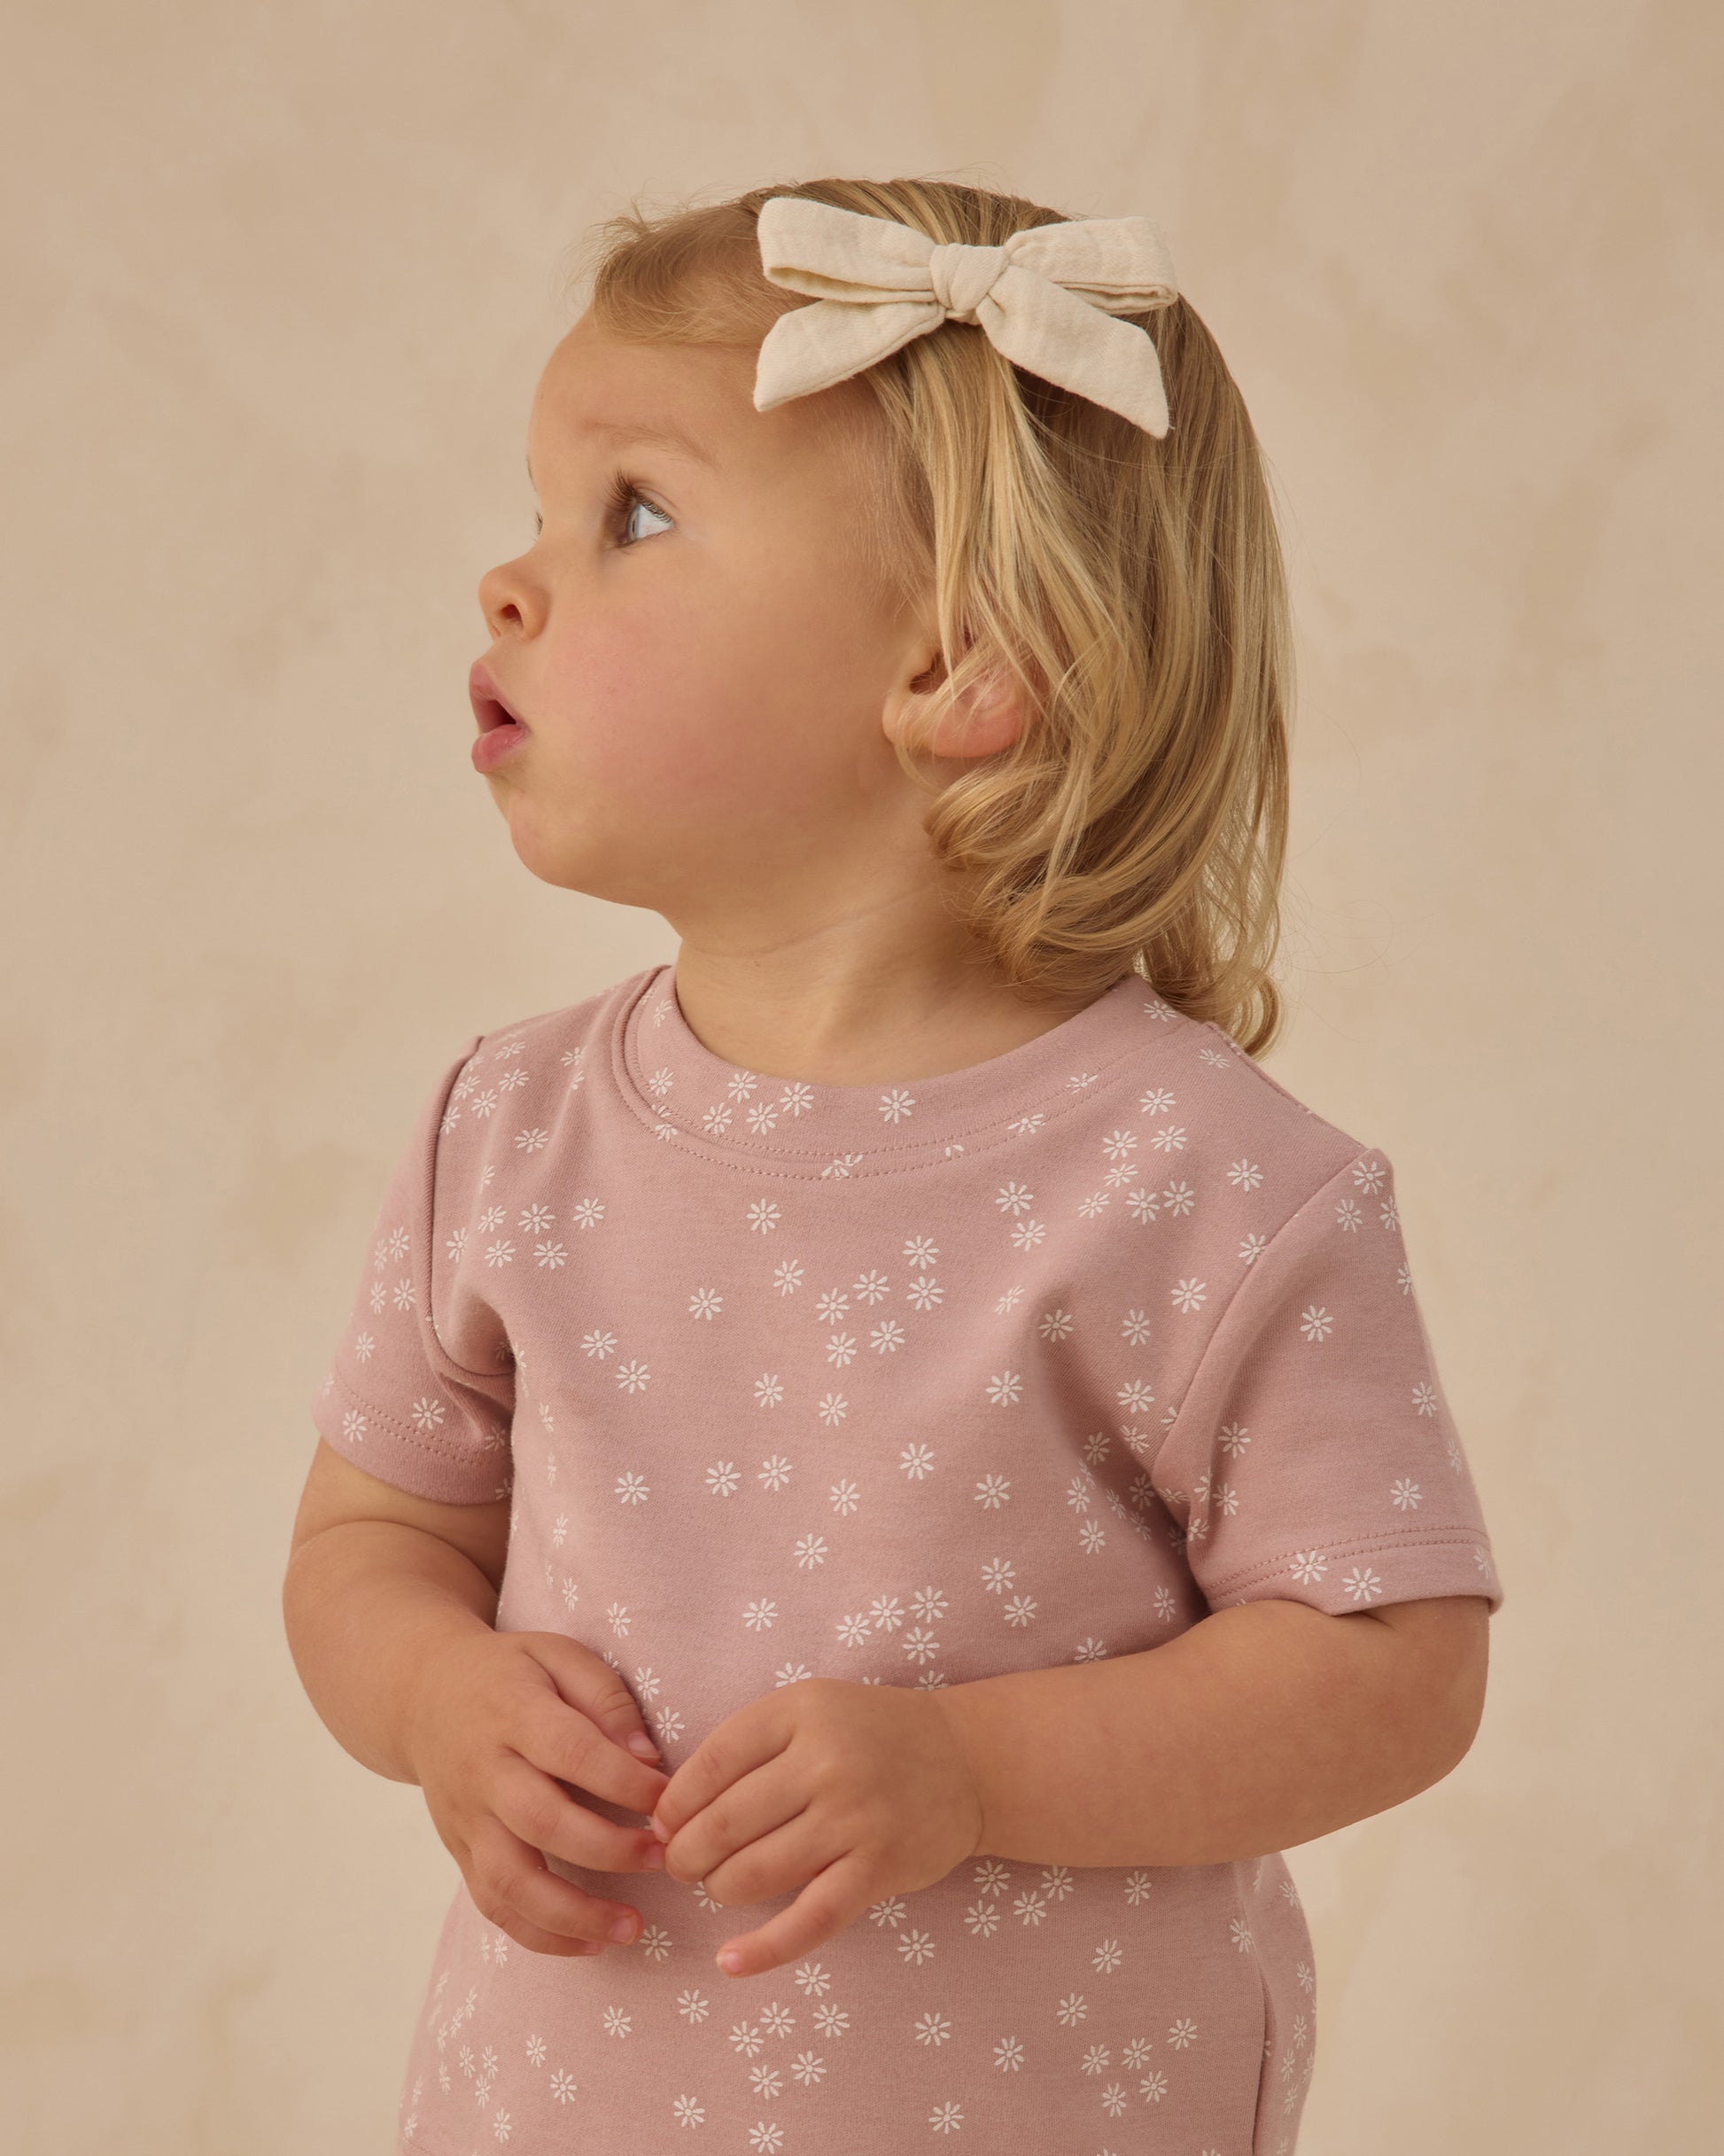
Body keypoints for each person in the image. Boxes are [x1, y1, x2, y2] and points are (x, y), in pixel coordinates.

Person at [283, 175, 1503, 2156]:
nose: (508, 582)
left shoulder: (1206, 1182)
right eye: (536, 509)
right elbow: (367, 1540)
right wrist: (433, 1698)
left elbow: (1392, 1666)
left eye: (631, 514)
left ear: (956, 663)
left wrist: (974, 1768)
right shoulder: (503, 1130)